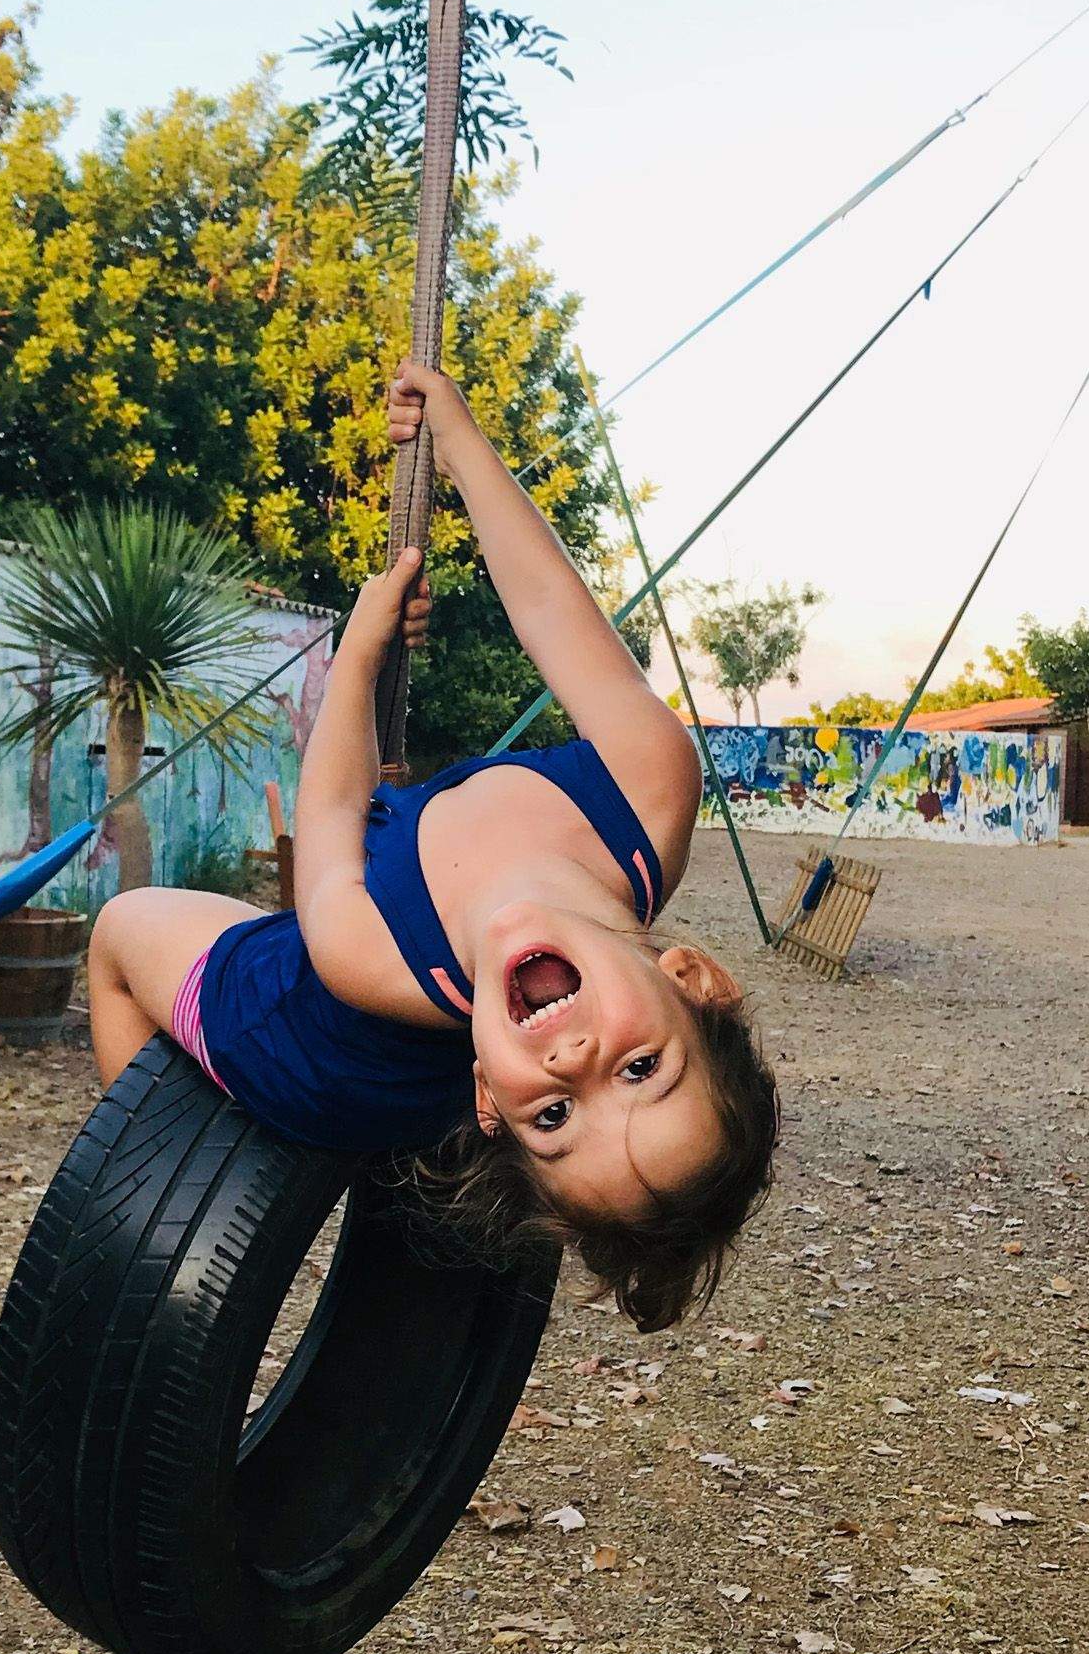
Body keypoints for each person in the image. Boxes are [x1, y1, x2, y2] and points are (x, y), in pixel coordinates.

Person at [89, 361, 778, 1329]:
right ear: (695, 979)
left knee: (122, 930)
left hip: (296, 1042)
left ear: (492, 1100)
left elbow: (330, 820)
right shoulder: (648, 784)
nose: (575, 1061)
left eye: (553, 1118)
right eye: (637, 1071)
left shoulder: (367, 961)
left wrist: (358, 652)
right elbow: (550, 610)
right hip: (388, 1012)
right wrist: (455, 438)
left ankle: (142, 1203)